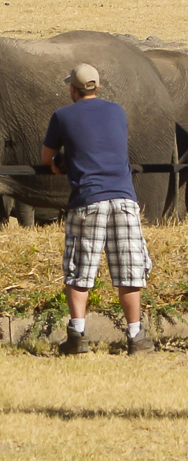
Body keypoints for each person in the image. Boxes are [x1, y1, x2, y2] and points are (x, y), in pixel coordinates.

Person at [41, 63, 154, 356]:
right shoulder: (117, 111)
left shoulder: (62, 115)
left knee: (80, 268)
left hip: (88, 199)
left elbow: (47, 157)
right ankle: (136, 336)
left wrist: (62, 159)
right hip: (124, 198)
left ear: (73, 89)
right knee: (129, 270)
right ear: (98, 87)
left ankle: (78, 335)